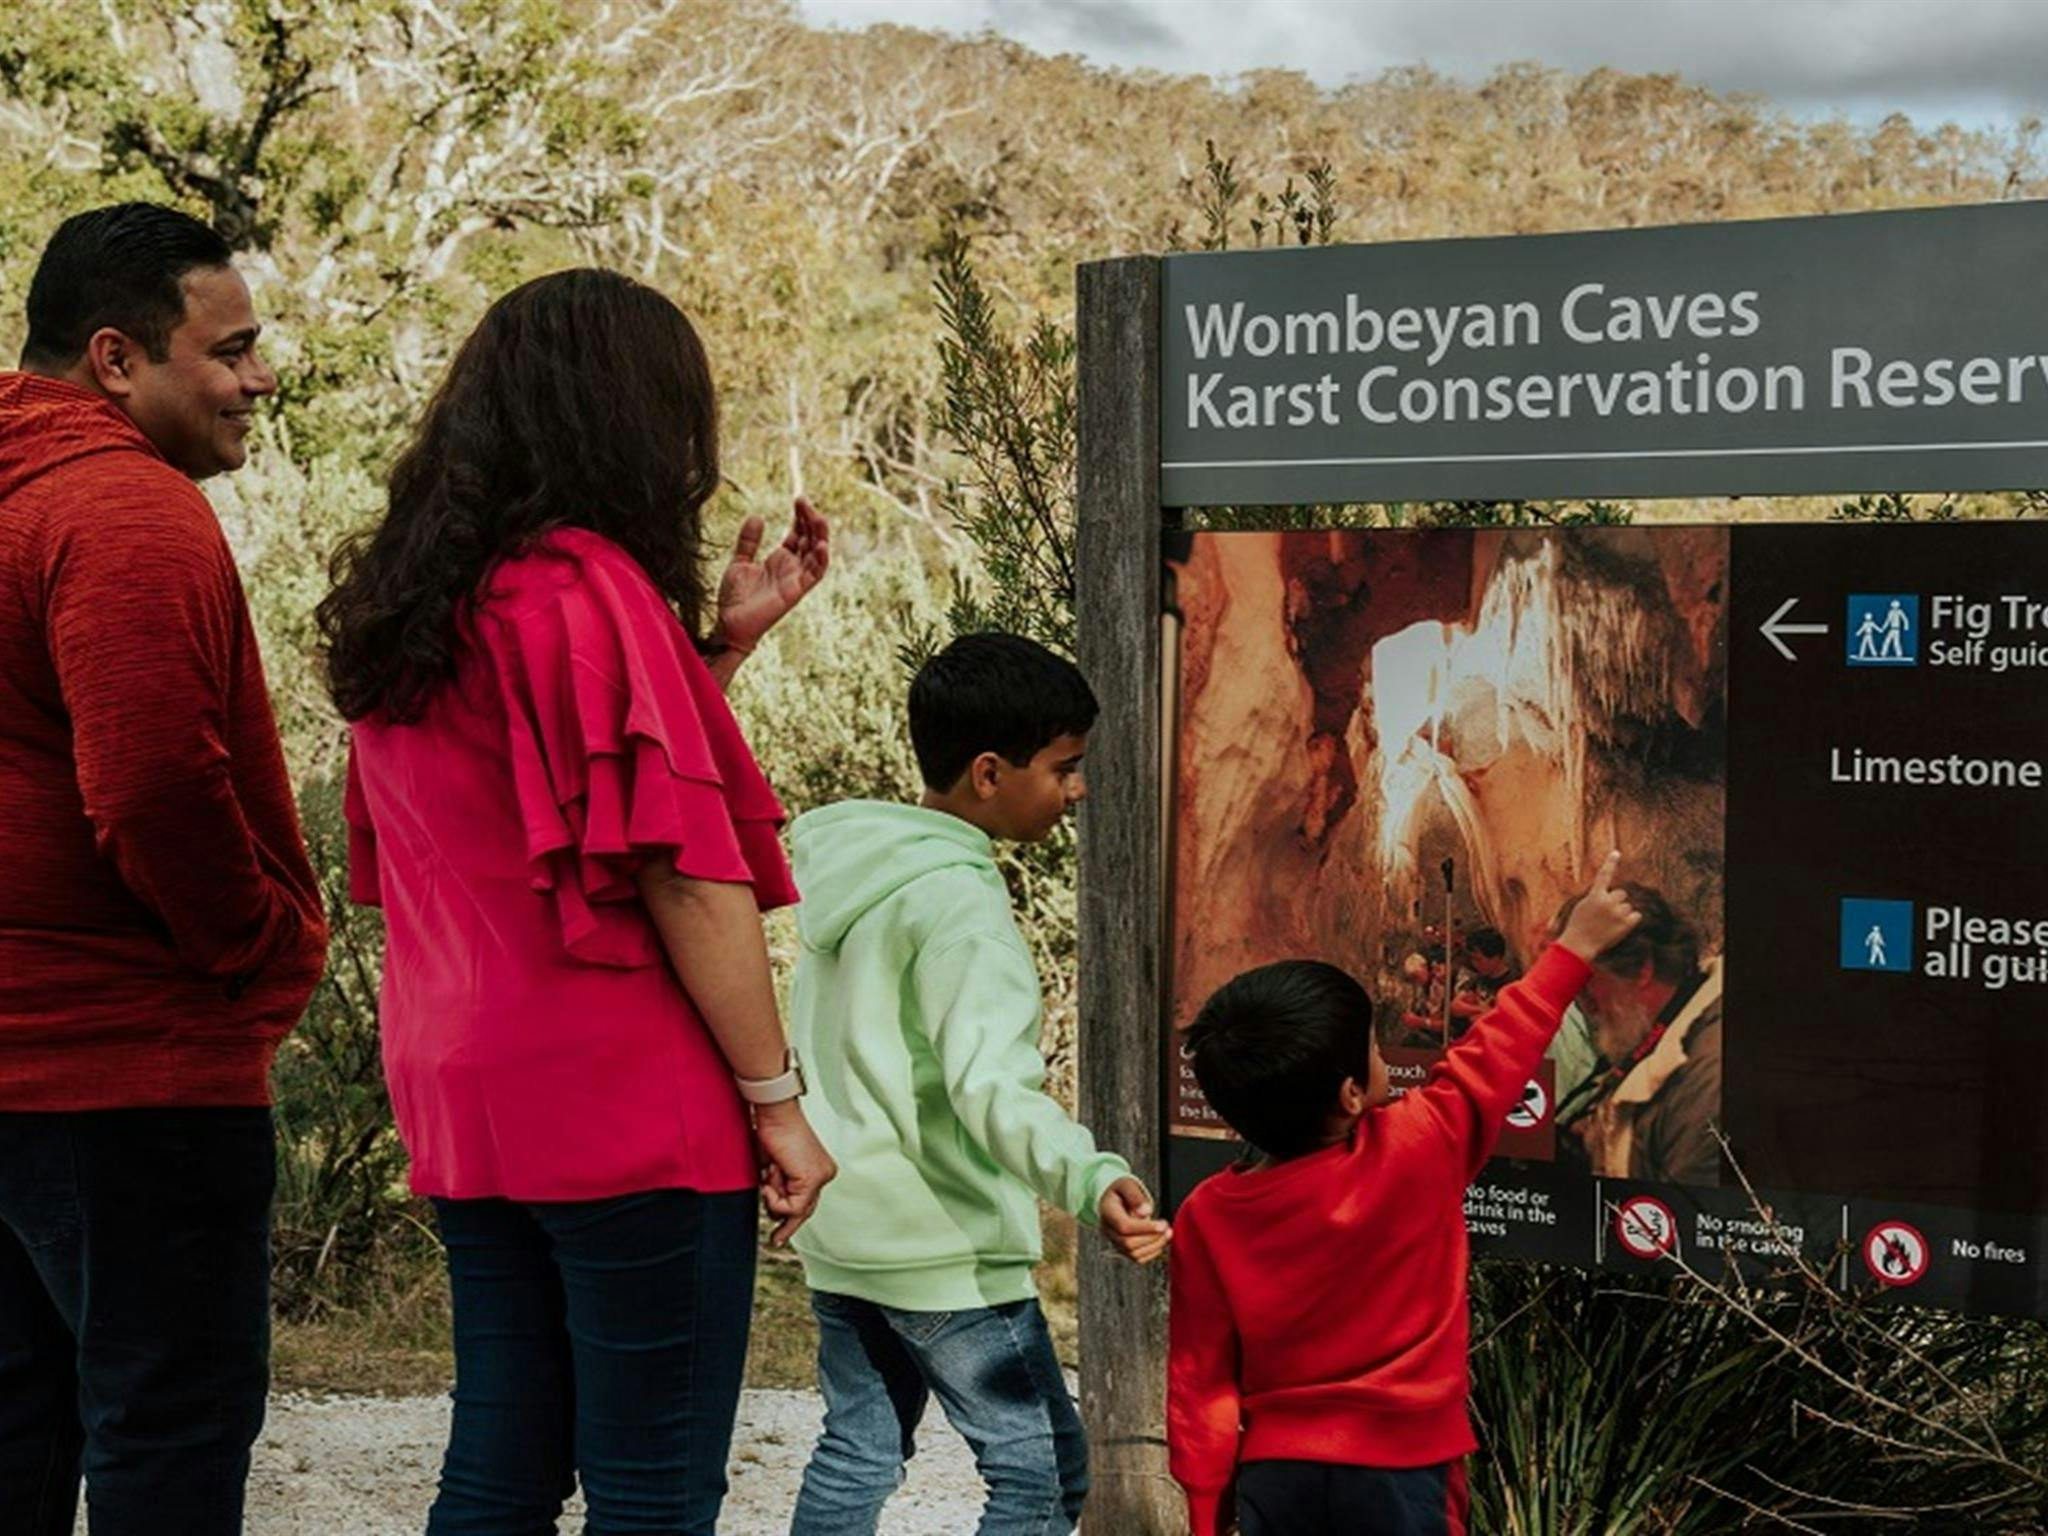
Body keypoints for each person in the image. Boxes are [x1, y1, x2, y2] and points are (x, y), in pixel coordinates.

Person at [317, 268, 838, 1535]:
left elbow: (539, 800)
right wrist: (776, 1102)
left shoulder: (421, 605)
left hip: (468, 1095)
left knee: (499, 1465)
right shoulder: (584, 586)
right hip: (621, 1101)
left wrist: (714, 652)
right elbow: (677, 865)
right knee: (653, 1486)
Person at [0, 202, 329, 1536]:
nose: (260, 377)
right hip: (131, 1073)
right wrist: (250, 943)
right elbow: (148, 782)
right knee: (169, 1444)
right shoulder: (123, 509)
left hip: (24, 1076)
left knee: (19, 1434)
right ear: (118, 357)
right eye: (232, 348)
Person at [785, 632, 1172, 1536]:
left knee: (858, 1450)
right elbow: (990, 1088)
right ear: (991, 772)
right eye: (1065, 767)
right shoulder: (960, 903)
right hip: (944, 1251)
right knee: (1042, 1472)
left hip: (844, 1236)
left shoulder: (851, 873)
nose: (1076, 790)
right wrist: (1088, 1176)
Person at [1167, 853, 1641, 1536]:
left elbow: (1199, 1381)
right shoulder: (1416, 1147)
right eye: (1372, 1049)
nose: (1383, 1055)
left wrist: (1208, 1517)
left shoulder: (1208, 1216)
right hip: (1404, 1470)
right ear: (1351, 1095)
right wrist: (1576, 948)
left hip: (1276, 1475)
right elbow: (1496, 1057)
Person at [1560, 883, 1724, 1186]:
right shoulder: (1672, 1033)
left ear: (1641, 969)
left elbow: (1680, 1222)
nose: (1583, 1004)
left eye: (1585, 982)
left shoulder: (1707, 1082)